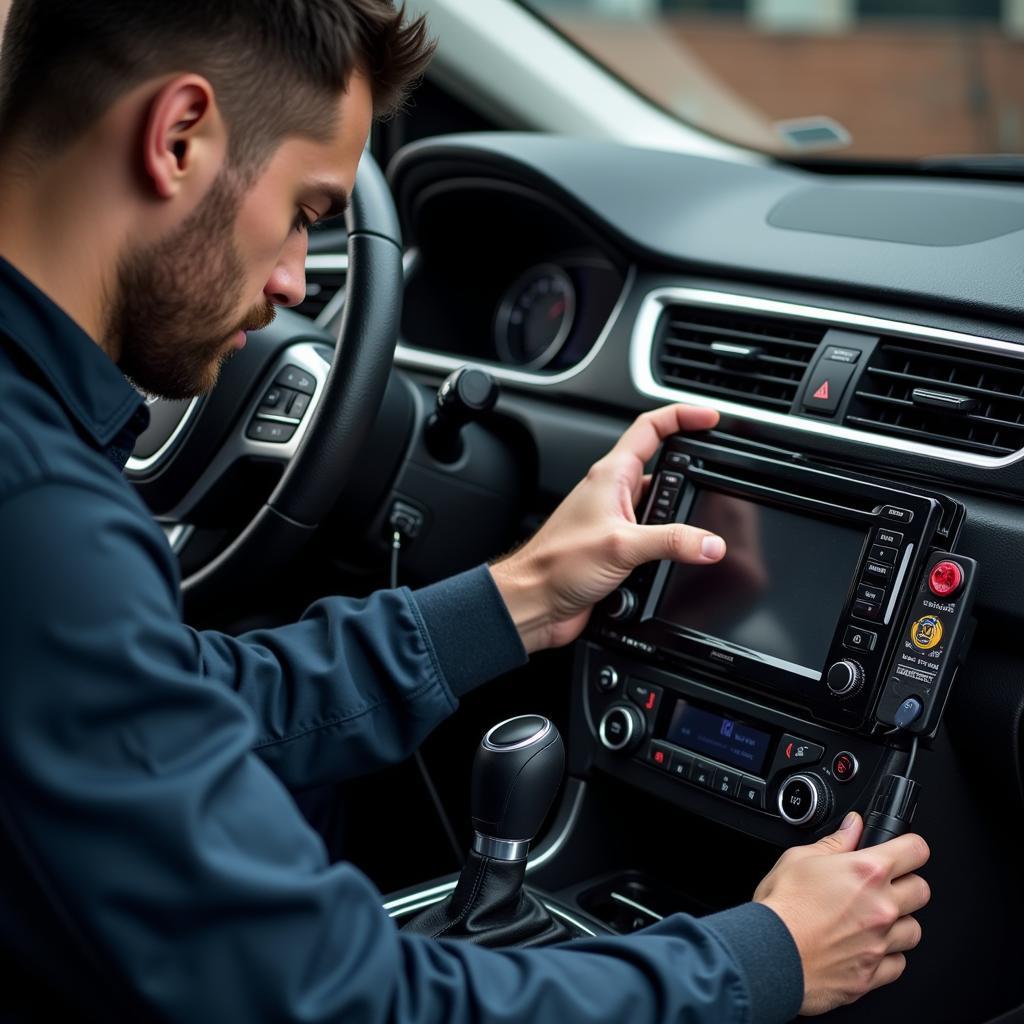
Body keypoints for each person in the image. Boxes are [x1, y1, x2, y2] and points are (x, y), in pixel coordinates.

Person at [0, 2, 930, 1021]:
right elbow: (332, 997)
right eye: (308, 211)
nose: (290, 281)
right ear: (177, 136)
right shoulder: (39, 510)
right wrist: (763, 960)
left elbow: (170, 708)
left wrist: (519, 594)